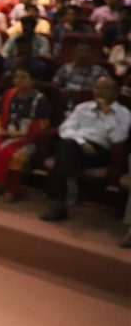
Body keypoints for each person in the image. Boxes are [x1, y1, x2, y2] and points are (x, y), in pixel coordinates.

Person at [41, 76, 130, 221]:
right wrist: (82, 142)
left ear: (115, 92)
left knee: (64, 152)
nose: (98, 92)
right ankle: (64, 199)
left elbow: (118, 139)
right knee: (66, 146)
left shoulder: (123, 113)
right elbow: (65, 128)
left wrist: (108, 114)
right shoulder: (83, 107)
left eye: (104, 89)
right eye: (96, 88)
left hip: (100, 152)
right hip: (77, 146)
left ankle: (63, 198)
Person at [0, 66, 51, 200]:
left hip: (27, 137)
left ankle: (11, 189)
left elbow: (43, 123)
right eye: (16, 77)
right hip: (4, 133)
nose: (18, 80)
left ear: (33, 81)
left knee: (14, 155)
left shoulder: (40, 99)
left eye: (23, 77)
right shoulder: (8, 94)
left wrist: (18, 133)